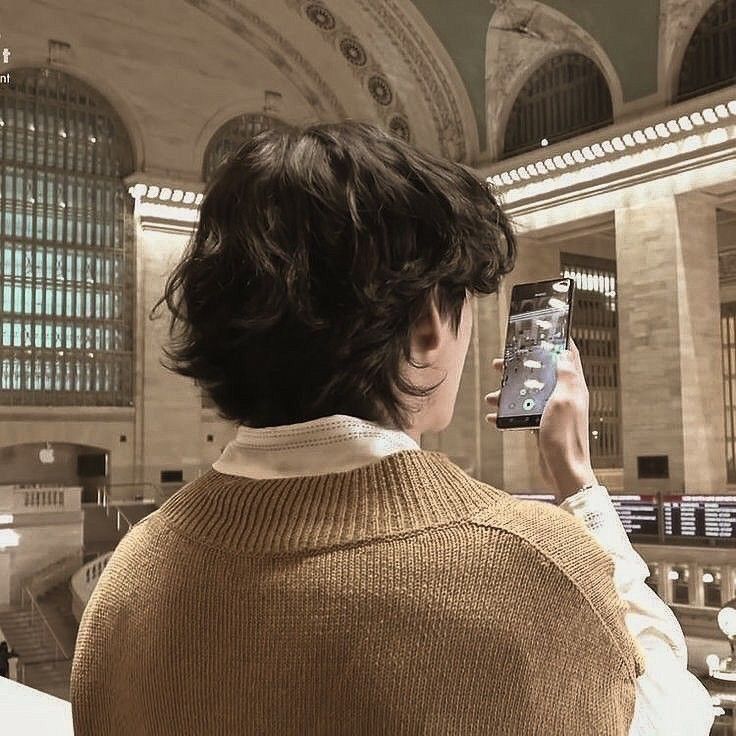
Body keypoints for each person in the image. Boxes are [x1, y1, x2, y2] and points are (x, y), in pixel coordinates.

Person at [71, 121, 714, 734]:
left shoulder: (128, 580)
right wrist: (578, 484)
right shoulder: (529, 563)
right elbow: (671, 708)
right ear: (430, 324)